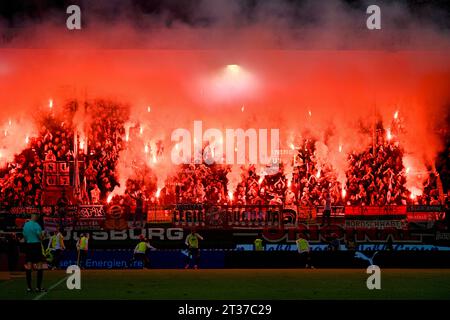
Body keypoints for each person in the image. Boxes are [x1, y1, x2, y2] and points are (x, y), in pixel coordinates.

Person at [22, 214, 46, 292]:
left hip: (28, 246)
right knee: (39, 265)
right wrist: (43, 236)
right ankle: (38, 287)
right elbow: (40, 237)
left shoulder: (26, 225)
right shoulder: (37, 225)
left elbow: (25, 238)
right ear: (36, 217)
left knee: (29, 266)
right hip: (36, 245)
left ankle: (29, 288)